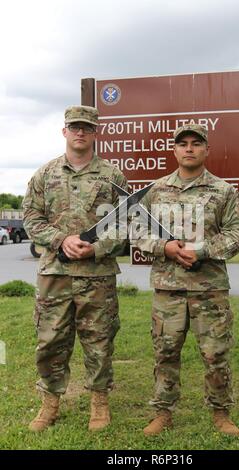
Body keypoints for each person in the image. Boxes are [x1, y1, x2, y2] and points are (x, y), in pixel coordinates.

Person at [133, 124, 239, 436]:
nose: (188, 148)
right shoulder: (155, 191)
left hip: (209, 289)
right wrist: (164, 247)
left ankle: (221, 412)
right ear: (174, 150)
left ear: (206, 150)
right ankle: (163, 412)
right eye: (182, 143)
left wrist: (203, 251)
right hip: (167, 289)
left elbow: (238, 233)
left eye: (196, 144)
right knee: (165, 351)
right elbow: (137, 231)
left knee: (216, 353)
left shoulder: (223, 192)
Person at [22, 105, 128, 432]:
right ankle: (50, 403)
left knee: (99, 339)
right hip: (55, 273)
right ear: (64, 131)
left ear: (96, 133)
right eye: (74, 127)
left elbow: (126, 222)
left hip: (97, 275)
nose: (80, 132)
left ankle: (99, 402)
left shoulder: (113, 176)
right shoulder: (44, 174)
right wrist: (60, 239)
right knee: (50, 339)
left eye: (86, 127)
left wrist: (97, 247)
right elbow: (31, 218)